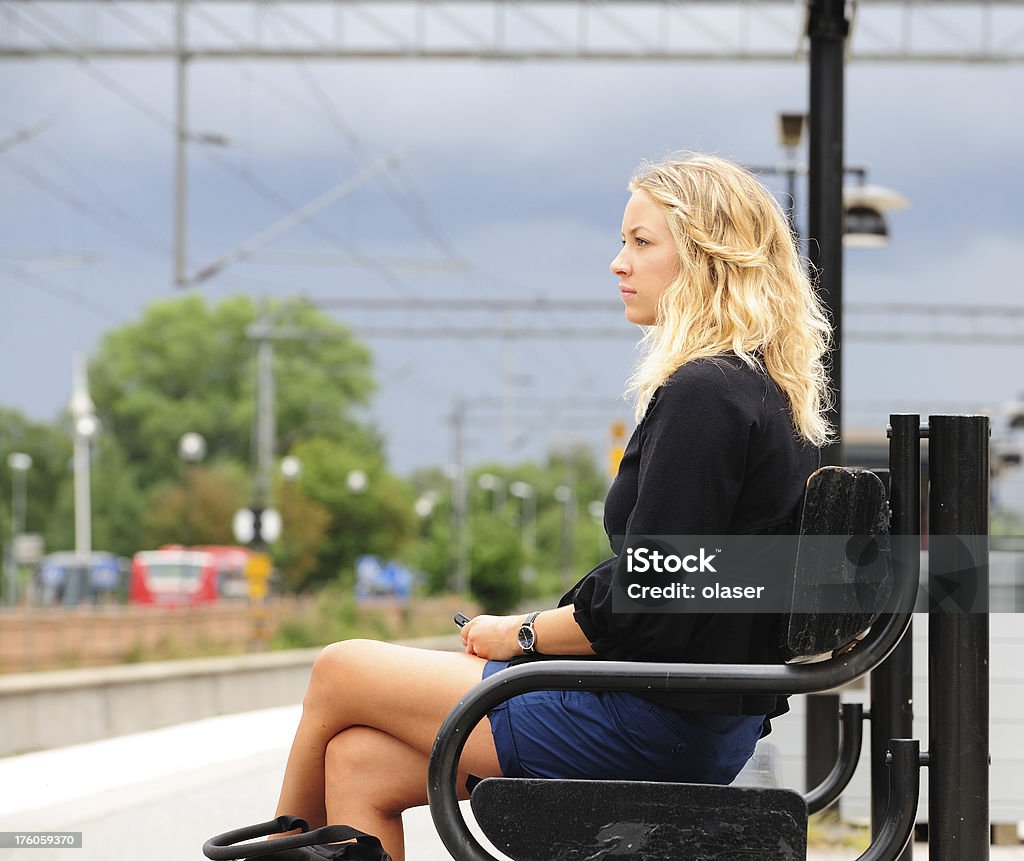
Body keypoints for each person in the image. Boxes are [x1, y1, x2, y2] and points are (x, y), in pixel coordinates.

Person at [267, 153, 832, 861]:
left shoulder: (706, 394)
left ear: (707, 257)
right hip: (696, 713)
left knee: (339, 669)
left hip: (654, 719)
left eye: (641, 241)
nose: (618, 262)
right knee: (357, 760)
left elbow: (651, 598)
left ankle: (277, 848)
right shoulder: (765, 394)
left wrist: (525, 635)